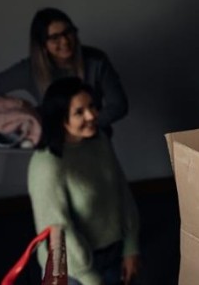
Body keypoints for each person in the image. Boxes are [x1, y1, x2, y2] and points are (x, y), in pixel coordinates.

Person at [0, 7, 128, 164]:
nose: (65, 41)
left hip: (95, 142)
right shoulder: (29, 70)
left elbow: (119, 105)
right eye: (55, 38)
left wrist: (83, 127)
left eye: (68, 32)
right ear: (43, 45)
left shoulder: (96, 60)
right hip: (57, 151)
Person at [28, 77, 140, 285]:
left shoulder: (100, 141)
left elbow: (122, 191)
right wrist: (89, 278)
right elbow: (56, 229)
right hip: (71, 269)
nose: (92, 115)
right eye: (79, 112)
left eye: (92, 106)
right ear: (60, 118)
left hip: (112, 252)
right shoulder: (47, 164)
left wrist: (131, 246)